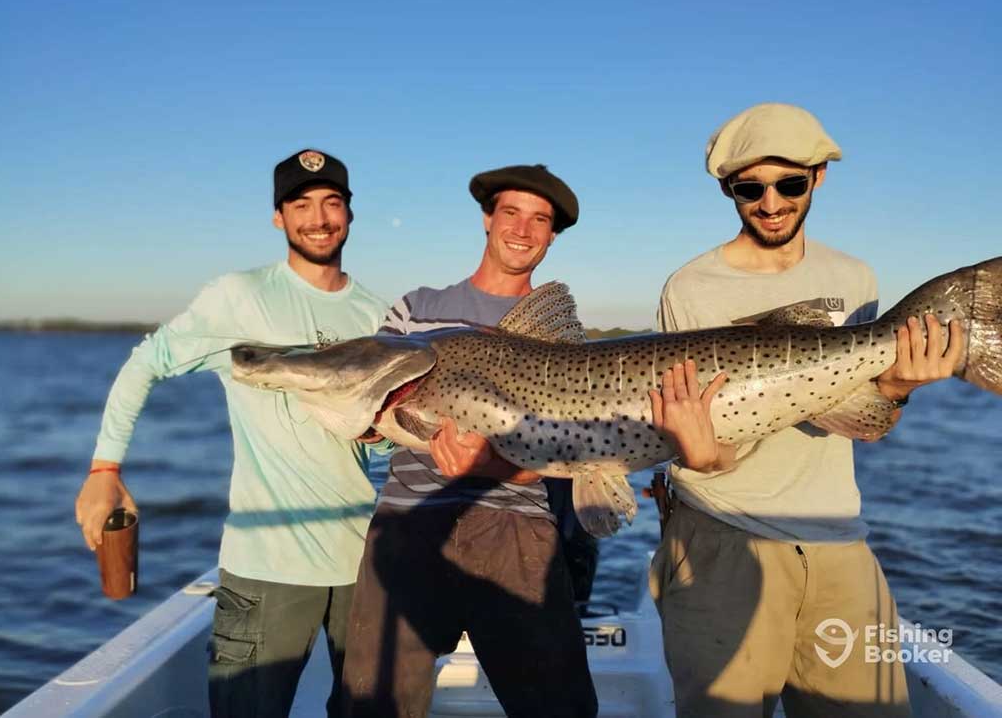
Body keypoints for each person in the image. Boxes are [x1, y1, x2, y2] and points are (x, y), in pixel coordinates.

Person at [647, 103, 962, 717]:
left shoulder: (856, 278)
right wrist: (704, 457)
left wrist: (897, 388)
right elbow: (704, 439)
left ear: (818, 177)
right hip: (719, 538)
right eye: (750, 188)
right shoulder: (688, 287)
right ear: (727, 189)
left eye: (789, 183)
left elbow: (866, 418)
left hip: (839, 540)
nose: (770, 203)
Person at [74, 149, 389, 718]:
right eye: (301, 204)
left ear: (349, 214)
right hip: (265, 569)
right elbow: (147, 363)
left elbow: (385, 441)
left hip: (361, 565)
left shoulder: (377, 316)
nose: (318, 217)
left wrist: (384, 436)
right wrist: (105, 470)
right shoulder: (238, 297)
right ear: (278, 218)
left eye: (331, 202)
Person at [341, 164, 598, 718]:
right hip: (408, 523)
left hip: (517, 530)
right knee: (371, 706)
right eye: (511, 213)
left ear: (552, 235)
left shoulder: (558, 342)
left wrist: (494, 469)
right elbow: (369, 410)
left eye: (540, 220)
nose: (523, 230)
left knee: (561, 708)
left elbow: (566, 452)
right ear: (487, 219)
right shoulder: (416, 311)